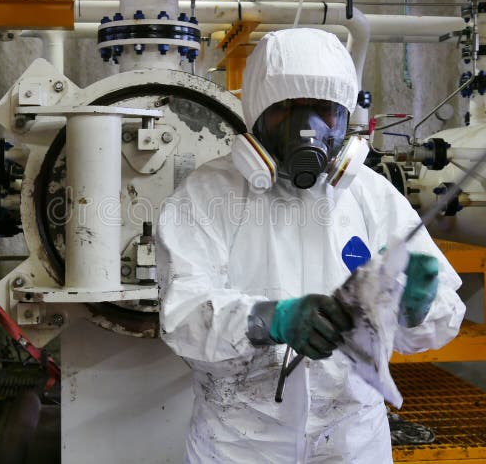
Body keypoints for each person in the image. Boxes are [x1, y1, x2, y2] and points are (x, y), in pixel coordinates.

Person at [157, 28, 465, 463]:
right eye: (285, 109)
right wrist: (270, 320)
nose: (308, 128)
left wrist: (415, 308)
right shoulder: (206, 196)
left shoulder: (371, 196)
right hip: (240, 445)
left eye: (323, 110)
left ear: (343, 116)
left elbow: (442, 316)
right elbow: (183, 316)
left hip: (352, 443)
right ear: (258, 114)